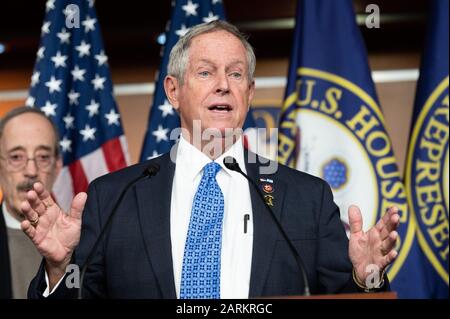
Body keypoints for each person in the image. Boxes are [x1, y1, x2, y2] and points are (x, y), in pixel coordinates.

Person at [23, 21, 399, 299]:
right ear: (173, 90)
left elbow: (343, 296)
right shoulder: (113, 197)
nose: (223, 84)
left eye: (236, 74)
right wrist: (59, 269)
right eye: (206, 72)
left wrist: (365, 276)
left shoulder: (307, 198)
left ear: (249, 93)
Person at [0, 107, 62, 299]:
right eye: (16, 157)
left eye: (43, 157)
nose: (31, 170)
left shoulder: (84, 241)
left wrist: (61, 268)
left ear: (57, 166)